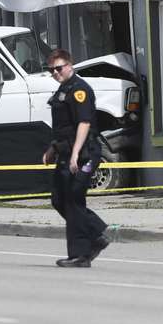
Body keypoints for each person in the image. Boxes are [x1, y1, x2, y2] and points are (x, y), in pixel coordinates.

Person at [43, 48, 110, 268]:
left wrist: (75, 155)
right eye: (51, 69)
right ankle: (96, 232)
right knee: (59, 199)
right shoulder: (63, 90)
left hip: (84, 154)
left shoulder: (80, 90)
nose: (55, 72)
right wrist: (52, 149)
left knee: (73, 201)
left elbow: (83, 123)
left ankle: (80, 255)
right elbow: (64, 127)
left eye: (58, 68)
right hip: (65, 152)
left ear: (70, 65)